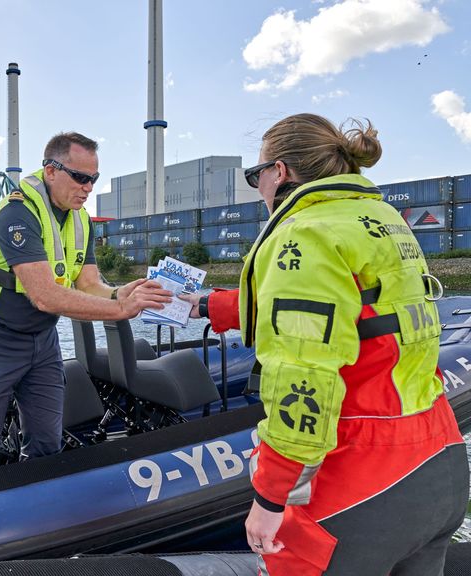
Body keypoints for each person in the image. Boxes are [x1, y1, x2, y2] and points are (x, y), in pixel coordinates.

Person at [182, 114, 469, 575]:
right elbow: (358, 307)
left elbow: (304, 376)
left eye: (256, 176)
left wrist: (272, 496)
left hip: (358, 481)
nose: (258, 189)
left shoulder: (303, 231)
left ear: (281, 172)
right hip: (440, 461)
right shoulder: (381, 217)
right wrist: (211, 306)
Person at [0, 132, 172, 475]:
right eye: (80, 177)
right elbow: (45, 295)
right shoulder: (17, 213)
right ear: (50, 170)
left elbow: (90, 283)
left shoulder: (80, 219)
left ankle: (35, 512)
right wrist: (119, 309)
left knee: (47, 444)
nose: (88, 187)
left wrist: (120, 293)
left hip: (42, 340)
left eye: (93, 179)